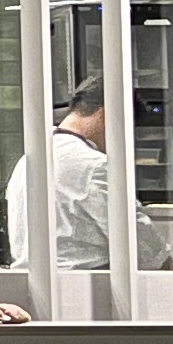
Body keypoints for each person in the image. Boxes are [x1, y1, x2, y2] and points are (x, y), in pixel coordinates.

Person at [50, 77, 111, 271]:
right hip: (88, 280)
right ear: (105, 114)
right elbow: (136, 237)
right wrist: (169, 267)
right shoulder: (94, 164)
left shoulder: (28, 159)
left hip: (32, 281)